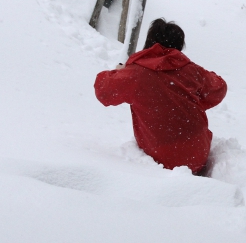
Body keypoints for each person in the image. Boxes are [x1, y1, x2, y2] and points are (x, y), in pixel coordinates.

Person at [94, 18, 227, 174]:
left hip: (163, 157)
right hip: (198, 153)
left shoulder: (136, 74)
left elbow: (103, 90)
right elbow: (219, 87)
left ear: (149, 43)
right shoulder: (192, 71)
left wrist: (121, 72)